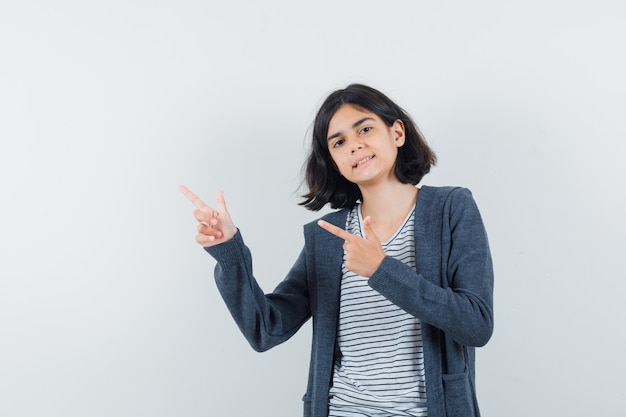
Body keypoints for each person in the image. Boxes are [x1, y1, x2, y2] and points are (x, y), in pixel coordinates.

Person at [180, 83, 494, 417]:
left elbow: (475, 325)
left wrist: (382, 270)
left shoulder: (451, 209)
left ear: (397, 132)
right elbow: (266, 328)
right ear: (333, 161)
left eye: (366, 129)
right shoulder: (329, 236)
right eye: (339, 142)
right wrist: (229, 248)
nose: (355, 146)